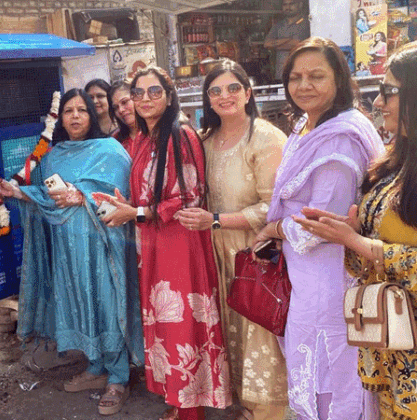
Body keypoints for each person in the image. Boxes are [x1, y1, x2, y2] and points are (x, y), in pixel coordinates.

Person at [253, 37, 384, 420]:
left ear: (338, 81)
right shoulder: (304, 126)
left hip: (331, 278)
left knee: (333, 371)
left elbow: (318, 228)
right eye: (295, 77)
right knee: (311, 367)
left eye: (316, 76)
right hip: (306, 277)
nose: (303, 86)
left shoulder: (340, 137)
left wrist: (273, 228)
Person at [0, 88, 143, 416]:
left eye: (81, 110)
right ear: (60, 119)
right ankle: (96, 366)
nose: (74, 116)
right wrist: (17, 191)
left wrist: (83, 196)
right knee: (80, 303)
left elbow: (121, 197)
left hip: (103, 247)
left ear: (92, 115)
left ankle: (118, 377)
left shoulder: (111, 151)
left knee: (106, 303)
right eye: (68, 111)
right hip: (66, 249)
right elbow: (47, 196)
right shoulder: (54, 155)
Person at [96, 66, 231, 420]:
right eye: (138, 93)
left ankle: (191, 410)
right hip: (153, 242)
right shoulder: (144, 136)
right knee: (164, 324)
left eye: (154, 92)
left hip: (179, 242)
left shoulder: (179, 134)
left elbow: (189, 197)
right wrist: (125, 204)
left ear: (169, 97)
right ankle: (178, 399)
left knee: (181, 324)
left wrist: (135, 212)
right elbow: (146, 193)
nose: (144, 99)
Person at [293, 41, 417, 420]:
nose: (378, 102)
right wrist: (352, 232)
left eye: (388, 92)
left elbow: (376, 246)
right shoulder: (396, 159)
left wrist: (360, 242)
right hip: (392, 342)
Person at [176, 59, 288, 420]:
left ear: (248, 93)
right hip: (214, 250)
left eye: (233, 88)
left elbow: (274, 206)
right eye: (216, 91)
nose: (225, 96)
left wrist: (217, 220)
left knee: (259, 331)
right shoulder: (205, 141)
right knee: (227, 328)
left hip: (255, 250)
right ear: (207, 100)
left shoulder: (266, 137)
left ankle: (269, 411)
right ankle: (242, 404)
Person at [264, 0, 310, 82]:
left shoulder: (306, 23)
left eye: (292, 4)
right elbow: (267, 44)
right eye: (285, 4)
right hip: (280, 74)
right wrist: (288, 39)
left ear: (300, 4)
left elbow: (296, 44)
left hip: (301, 74)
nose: (288, 7)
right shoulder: (278, 25)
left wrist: (276, 45)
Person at [108, 81, 140, 154]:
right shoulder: (114, 141)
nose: (120, 110)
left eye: (124, 102)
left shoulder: (154, 133)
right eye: (116, 108)